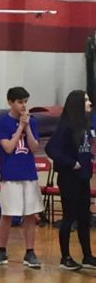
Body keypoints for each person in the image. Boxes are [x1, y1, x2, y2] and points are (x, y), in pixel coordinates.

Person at [0, 87, 43, 269]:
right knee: (7, 214)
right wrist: (20, 127)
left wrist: (28, 128)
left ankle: (30, 252)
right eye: (20, 102)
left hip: (29, 173)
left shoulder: (31, 122)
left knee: (30, 214)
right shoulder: (2, 123)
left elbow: (34, 148)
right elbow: (9, 147)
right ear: (10, 102)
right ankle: (1, 250)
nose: (23, 105)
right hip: (10, 174)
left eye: (25, 101)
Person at [45, 90, 96, 271]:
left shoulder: (85, 125)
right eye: (86, 100)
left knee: (84, 218)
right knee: (69, 217)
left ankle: (88, 256)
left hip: (83, 178)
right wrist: (71, 163)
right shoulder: (66, 126)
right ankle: (65, 257)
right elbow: (51, 148)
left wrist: (89, 160)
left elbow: (85, 148)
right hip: (69, 178)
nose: (90, 103)